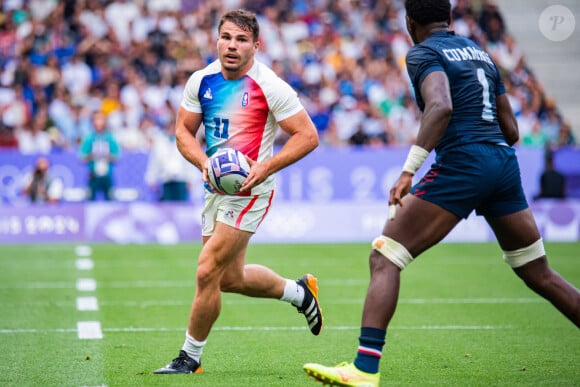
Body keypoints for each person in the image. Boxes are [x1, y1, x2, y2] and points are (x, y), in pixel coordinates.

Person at [303, 1, 580, 386]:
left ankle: (364, 369)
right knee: (540, 273)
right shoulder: (481, 53)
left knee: (385, 256)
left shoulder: (423, 52)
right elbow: (512, 130)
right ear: (449, 19)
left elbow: (441, 106)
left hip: (465, 162)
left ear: (409, 22)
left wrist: (407, 171)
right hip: (502, 162)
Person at [154, 9, 322, 375]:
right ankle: (299, 292)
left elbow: (308, 136)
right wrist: (202, 163)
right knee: (229, 278)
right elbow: (183, 131)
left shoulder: (271, 87)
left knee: (206, 270)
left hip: (250, 191)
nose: (232, 45)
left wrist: (265, 168)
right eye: (226, 37)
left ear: (255, 46)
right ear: (217, 40)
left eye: (241, 39)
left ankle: (189, 357)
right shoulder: (201, 81)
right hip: (215, 188)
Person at [144, 122, 194, 202]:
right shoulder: (160, 143)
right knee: (167, 207)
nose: (172, 130)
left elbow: (189, 162)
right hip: (166, 180)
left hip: (181, 179)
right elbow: (155, 163)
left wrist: (191, 179)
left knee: (182, 208)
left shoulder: (185, 142)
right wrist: (151, 179)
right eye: (170, 128)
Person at [79, 111, 121, 201]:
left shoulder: (110, 138)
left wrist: (106, 156)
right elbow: (82, 158)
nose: (99, 122)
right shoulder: (89, 138)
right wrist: (93, 156)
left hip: (107, 175)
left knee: (109, 199)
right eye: (96, 119)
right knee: (90, 199)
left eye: (101, 119)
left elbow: (116, 157)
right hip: (93, 175)